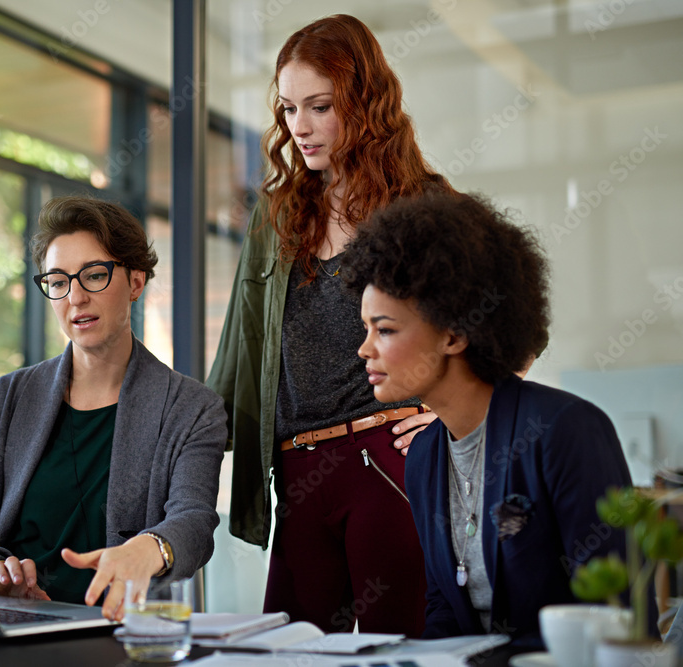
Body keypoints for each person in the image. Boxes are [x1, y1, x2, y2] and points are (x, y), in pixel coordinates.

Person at [207, 14, 454, 635]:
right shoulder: (278, 217)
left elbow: (513, 326)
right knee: (286, 649)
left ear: (364, 102)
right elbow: (237, 357)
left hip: (386, 461)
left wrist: (451, 411)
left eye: (319, 107)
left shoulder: (423, 206)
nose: (300, 128)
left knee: (394, 650)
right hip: (294, 473)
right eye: (289, 109)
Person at [340, 191, 632, 643]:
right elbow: (442, 605)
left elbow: (617, 609)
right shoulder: (424, 456)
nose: (365, 349)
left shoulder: (566, 430)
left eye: (386, 329)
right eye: (366, 329)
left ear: (454, 335)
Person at [0, 196, 227, 620]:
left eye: (94, 276)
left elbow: (194, 521)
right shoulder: (1, 402)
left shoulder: (191, 408)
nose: (76, 298)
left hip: (122, 635)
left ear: (136, 282)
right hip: (8, 633)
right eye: (58, 281)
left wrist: (150, 548)